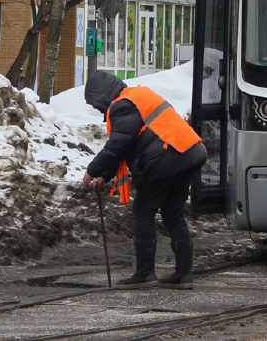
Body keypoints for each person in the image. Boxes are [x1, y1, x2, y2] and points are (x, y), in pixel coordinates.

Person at [82, 70, 207, 289]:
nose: (98, 109)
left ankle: (145, 273)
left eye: (96, 104)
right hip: (190, 150)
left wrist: (94, 169)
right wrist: (105, 175)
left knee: (144, 211)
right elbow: (128, 143)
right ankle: (183, 274)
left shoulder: (122, 105)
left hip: (169, 156)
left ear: (102, 96)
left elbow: (118, 145)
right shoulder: (139, 95)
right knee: (173, 213)